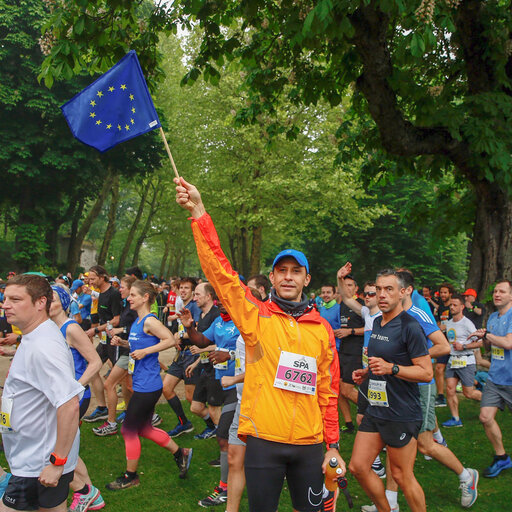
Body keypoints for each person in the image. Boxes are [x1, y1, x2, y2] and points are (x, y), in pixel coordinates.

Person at [175, 177, 344, 512]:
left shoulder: (322, 329)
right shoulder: (255, 316)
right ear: (273, 277)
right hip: (264, 441)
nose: (288, 276)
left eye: (296, 271)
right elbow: (221, 274)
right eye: (281, 271)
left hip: (309, 445)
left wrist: (333, 444)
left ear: (306, 279)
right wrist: (199, 211)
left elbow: (328, 390)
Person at [349, 269, 432, 512]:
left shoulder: (410, 326)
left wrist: (392, 368)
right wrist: (368, 372)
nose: (381, 294)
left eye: (389, 289)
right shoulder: (376, 322)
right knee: (358, 466)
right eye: (378, 289)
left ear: (402, 293)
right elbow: (381, 360)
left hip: (401, 411)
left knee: (402, 475)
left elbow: (426, 372)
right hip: (377, 407)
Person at [1, 274, 84, 512]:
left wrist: (57, 462)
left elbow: (69, 404)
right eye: (6, 298)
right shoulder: (34, 335)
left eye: (16, 299)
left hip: (37, 463)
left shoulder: (44, 346)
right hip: (33, 458)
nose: (5, 304)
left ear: (40, 303)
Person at [106, 280, 193, 490]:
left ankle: (131, 476)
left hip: (148, 385)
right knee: (143, 428)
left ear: (145, 297)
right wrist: (124, 343)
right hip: (143, 383)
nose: (128, 298)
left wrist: (146, 352)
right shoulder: (138, 322)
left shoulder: (150, 321)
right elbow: (140, 345)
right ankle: (181, 453)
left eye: (133, 295)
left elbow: (170, 341)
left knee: (128, 430)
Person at [49, 285, 105, 512]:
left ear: (62, 302)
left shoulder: (71, 327)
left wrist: (76, 387)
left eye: (50, 299)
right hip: (60, 397)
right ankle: (89, 493)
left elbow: (96, 362)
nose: (45, 303)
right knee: (67, 447)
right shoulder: (50, 328)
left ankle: (84, 492)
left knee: (55, 449)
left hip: (75, 397)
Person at [337, 264, 385, 478]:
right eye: (366, 293)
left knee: (381, 417)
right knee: (362, 417)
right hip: (368, 372)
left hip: (383, 374)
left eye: (371, 294)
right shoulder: (367, 313)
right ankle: (377, 463)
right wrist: (340, 278)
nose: (367, 297)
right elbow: (347, 299)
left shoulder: (386, 316)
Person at [471, 280, 512, 478]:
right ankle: (501, 457)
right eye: (495, 291)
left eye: (502, 292)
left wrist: (488, 334)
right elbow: (490, 348)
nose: (497, 294)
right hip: (496, 378)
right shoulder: (494, 316)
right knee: (486, 417)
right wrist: (483, 338)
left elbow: (508, 343)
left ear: (511, 296)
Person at [92, 276, 138, 436]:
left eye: (123, 287)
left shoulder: (135, 309)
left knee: (109, 384)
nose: (120, 289)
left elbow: (137, 328)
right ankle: (134, 416)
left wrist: (120, 331)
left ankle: (111, 423)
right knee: (127, 385)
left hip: (129, 352)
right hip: (125, 349)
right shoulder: (126, 305)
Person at [163, 277, 202, 437]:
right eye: (181, 288)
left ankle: (213, 424)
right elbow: (178, 328)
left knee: (191, 397)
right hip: (180, 354)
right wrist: (176, 336)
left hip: (191, 355)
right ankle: (183, 422)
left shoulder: (195, 307)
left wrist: (180, 336)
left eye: (187, 288)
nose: (183, 290)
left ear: (193, 292)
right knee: (166, 388)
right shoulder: (182, 306)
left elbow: (198, 330)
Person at [83, 265, 122, 423]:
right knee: (92, 367)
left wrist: (96, 329)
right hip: (105, 339)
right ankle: (101, 408)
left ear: (102, 277)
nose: (90, 281)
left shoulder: (113, 294)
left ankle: (139, 410)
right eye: (89, 279)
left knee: (125, 378)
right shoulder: (101, 293)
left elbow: (116, 319)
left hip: (114, 340)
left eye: (93, 279)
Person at [184, 282, 221, 440]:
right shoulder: (201, 315)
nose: (195, 298)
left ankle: (223, 442)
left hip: (217, 368)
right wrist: (196, 362)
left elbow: (221, 343)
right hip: (205, 367)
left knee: (214, 409)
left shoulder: (217, 314)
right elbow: (204, 342)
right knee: (196, 407)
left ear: (209, 296)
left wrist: (202, 350)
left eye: (198, 294)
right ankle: (213, 428)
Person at [442, 294, 482, 428]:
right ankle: (455, 418)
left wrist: (464, 346)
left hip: (466, 361)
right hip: (452, 360)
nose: (452, 307)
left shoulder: (467, 323)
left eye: (455, 305)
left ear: (462, 307)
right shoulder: (449, 323)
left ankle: (489, 401)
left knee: (468, 393)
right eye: (451, 305)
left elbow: (480, 343)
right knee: (450, 389)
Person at [335, 275, 364, 434]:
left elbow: (369, 329)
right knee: (338, 389)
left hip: (356, 351)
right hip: (343, 350)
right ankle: (348, 423)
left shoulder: (361, 306)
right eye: (344, 285)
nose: (347, 288)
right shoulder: (342, 305)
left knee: (347, 390)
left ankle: (373, 410)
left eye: (350, 285)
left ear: (356, 288)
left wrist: (350, 331)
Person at [434, 283, 454, 407]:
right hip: (444, 342)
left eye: (445, 292)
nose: (442, 295)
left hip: (456, 343)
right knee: (439, 368)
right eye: (441, 292)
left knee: (459, 370)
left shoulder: (455, 306)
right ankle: (441, 396)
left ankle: (477, 385)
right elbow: (438, 322)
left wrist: (447, 326)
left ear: (450, 293)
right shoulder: (441, 308)